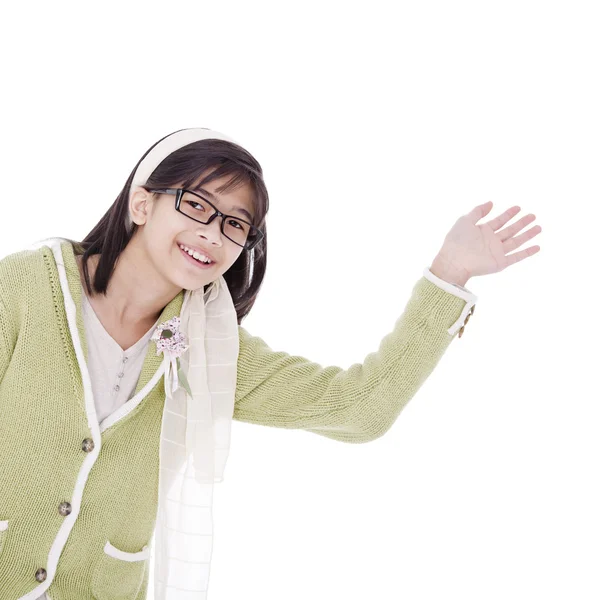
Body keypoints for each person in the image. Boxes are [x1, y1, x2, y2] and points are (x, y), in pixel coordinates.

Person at [0, 127, 542, 600]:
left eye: (236, 224)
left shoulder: (212, 348)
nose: (212, 234)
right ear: (142, 205)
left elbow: (359, 409)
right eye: (196, 205)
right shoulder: (25, 287)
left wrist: (448, 275)